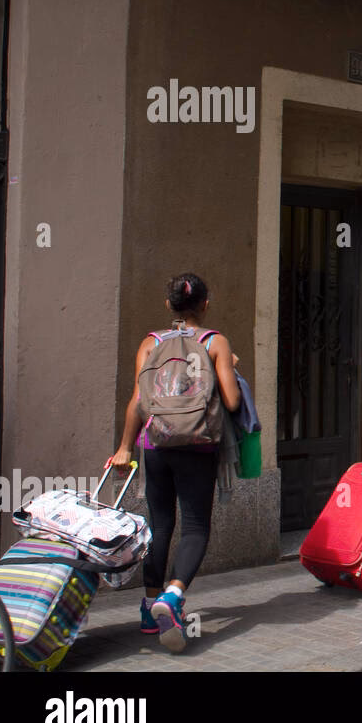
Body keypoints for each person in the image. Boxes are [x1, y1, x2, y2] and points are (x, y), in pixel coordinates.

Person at [107, 273, 241, 653]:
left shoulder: (150, 343)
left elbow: (138, 400)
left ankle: (150, 609)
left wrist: (125, 448)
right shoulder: (214, 342)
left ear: (169, 305)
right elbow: (232, 402)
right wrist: (229, 367)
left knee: (160, 524)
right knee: (195, 526)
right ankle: (173, 595)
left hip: (156, 444)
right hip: (198, 446)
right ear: (206, 304)